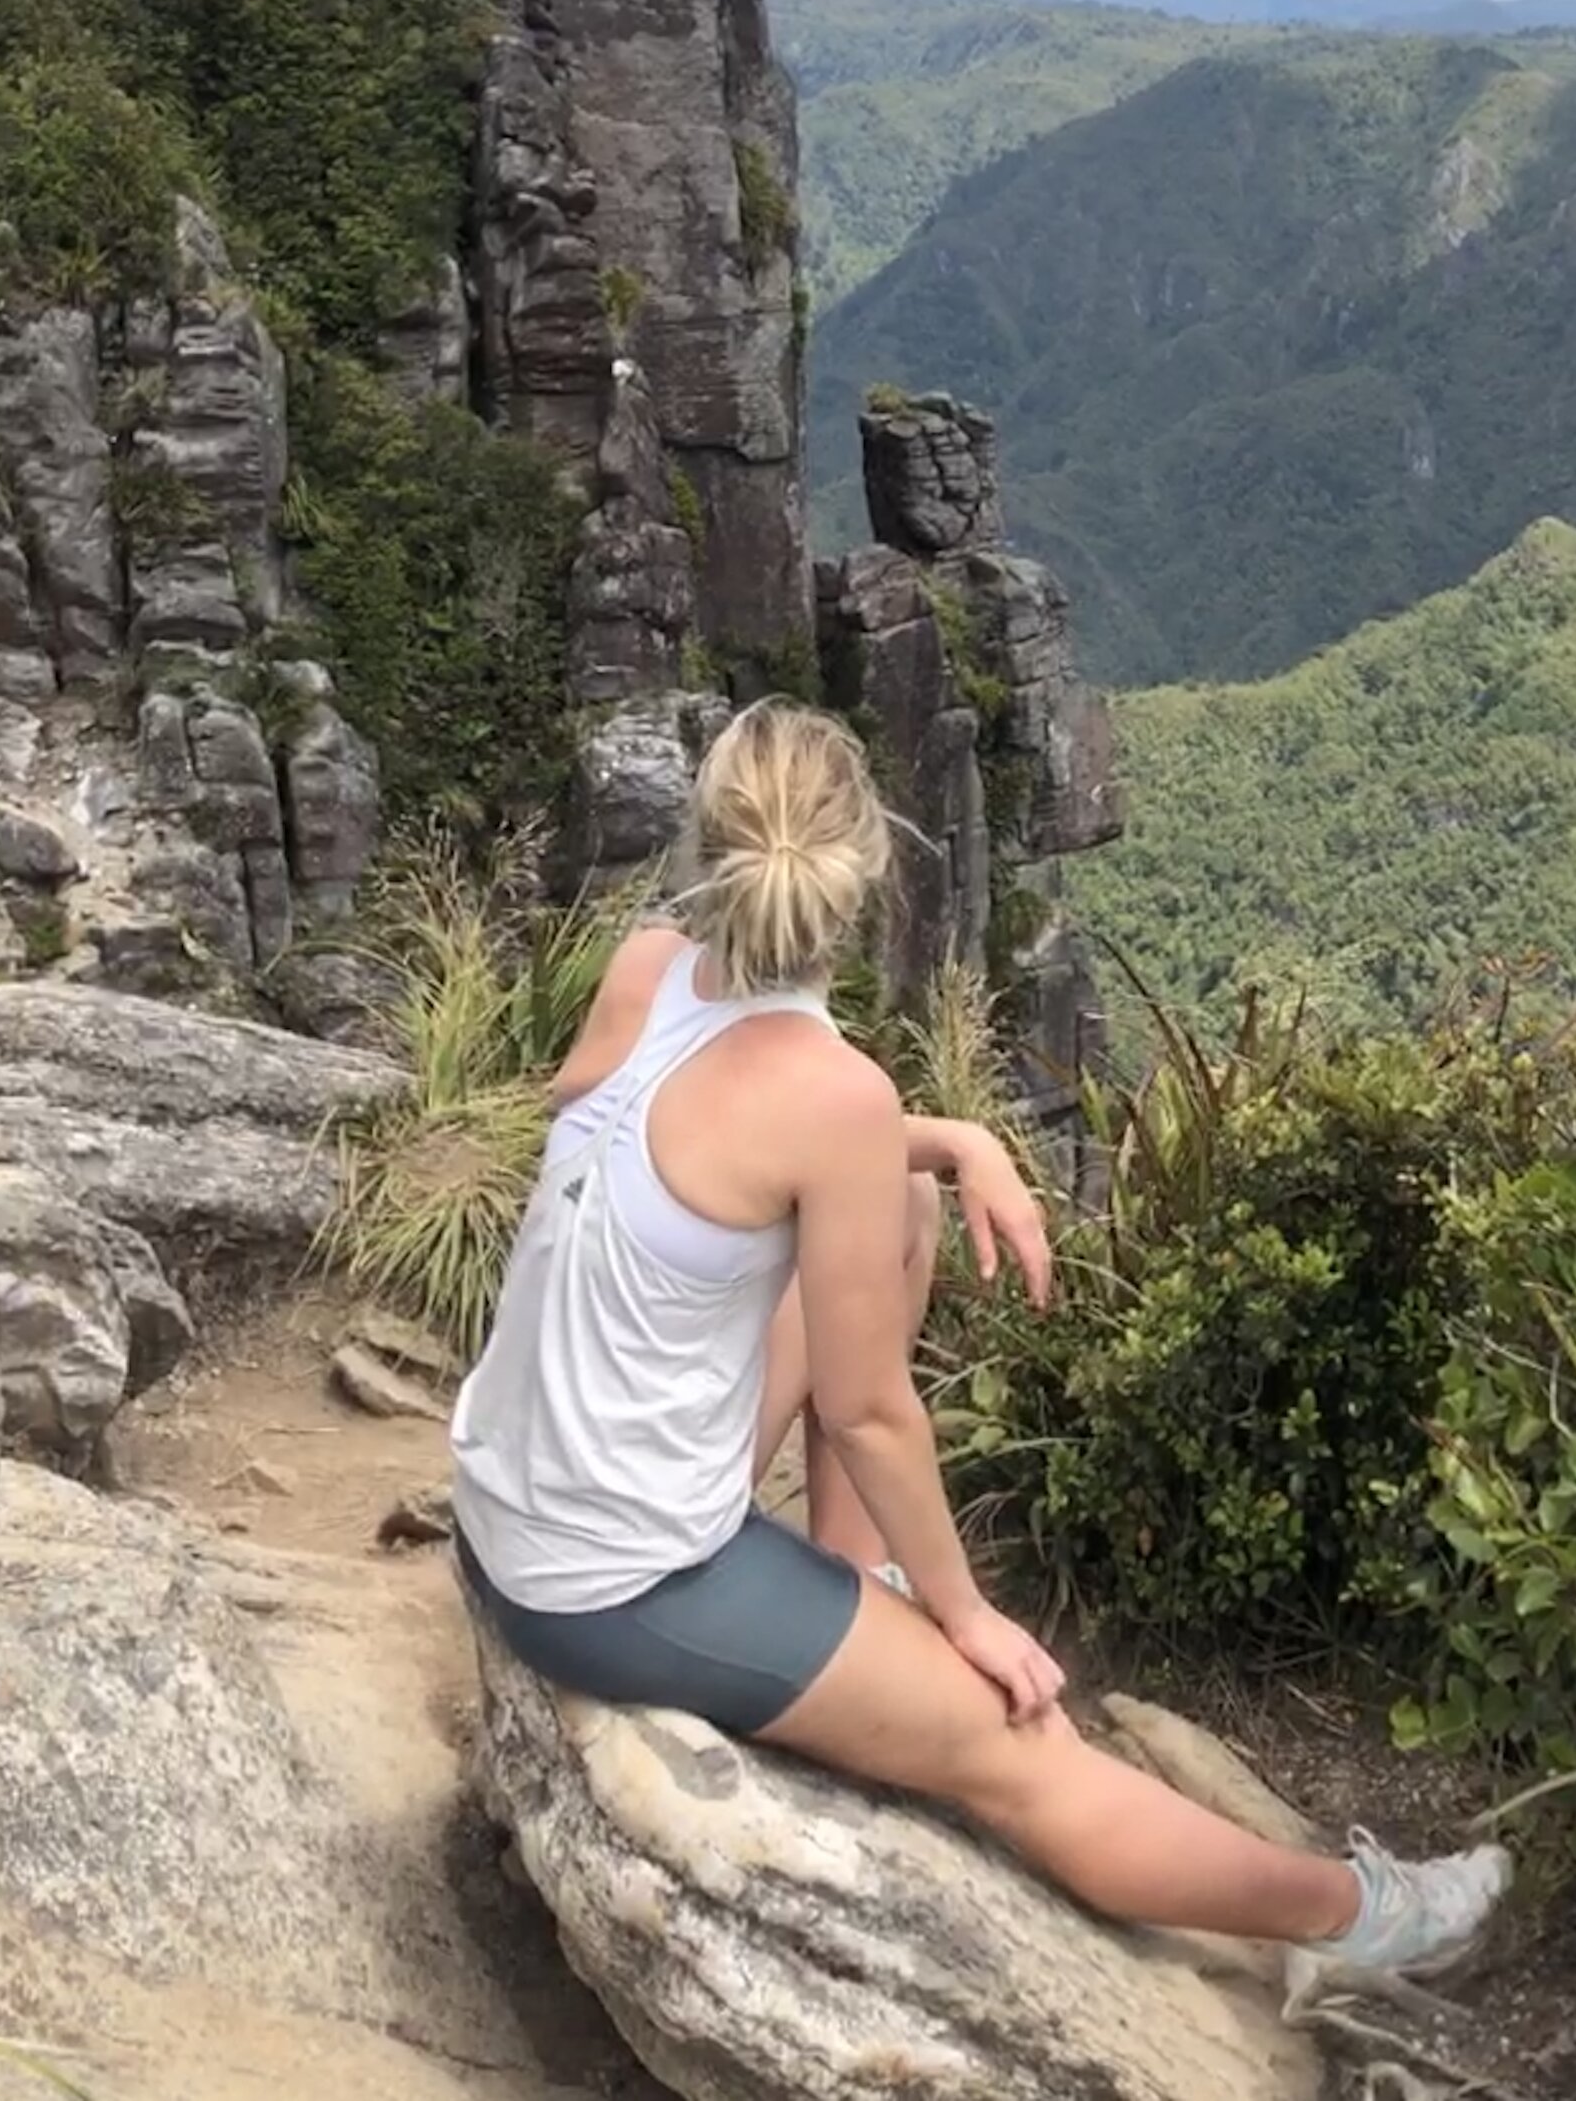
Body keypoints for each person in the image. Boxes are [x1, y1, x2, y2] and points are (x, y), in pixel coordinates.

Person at [449, 697, 1510, 2004]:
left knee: (895, 1206)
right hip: (606, 1579)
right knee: (1021, 1741)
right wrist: (967, 1618)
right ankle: (1362, 1916)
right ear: (865, 874)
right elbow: (871, 1407)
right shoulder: (833, 1094)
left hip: (508, 1494)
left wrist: (950, 1141)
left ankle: (852, 1578)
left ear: (709, 845)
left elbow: (687, 1138)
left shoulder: (649, 965)